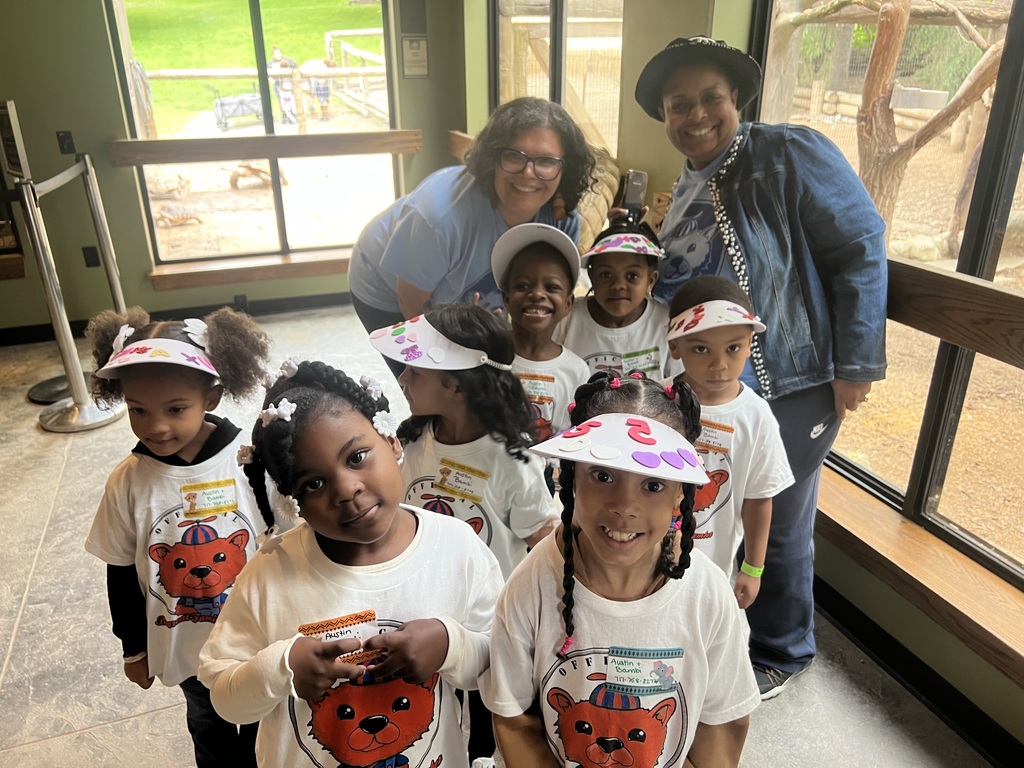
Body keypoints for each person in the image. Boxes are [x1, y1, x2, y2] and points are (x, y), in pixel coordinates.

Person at [635, 36, 888, 699]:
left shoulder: (787, 150)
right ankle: (718, 625)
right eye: (678, 104)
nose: (696, 115)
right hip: (716, 382)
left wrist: (856, 362)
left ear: (736, 98)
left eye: (710, 98)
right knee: (719, 503)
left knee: (774, 511)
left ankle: (783, 649)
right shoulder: (693, 177)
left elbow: (861, 241)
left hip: (791, 377)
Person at [197, 360, 503, 768]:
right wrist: (282, 668)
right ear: (294, 501)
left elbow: (499, 660)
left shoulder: (457, 547)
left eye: (357, 456)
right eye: (314, 484)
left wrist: (451, 645)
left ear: (392, 442)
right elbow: (226, 698)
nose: (346, 489)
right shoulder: (270, 574)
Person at [480, 371, 759, 768]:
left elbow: (721, 723)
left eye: (653, 485)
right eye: (604, 475)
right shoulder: (530, 586)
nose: (625, 508)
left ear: (681, 490)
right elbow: (513, 717)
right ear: (572, 474)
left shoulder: (708, 593)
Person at [84, 306, 273, 768]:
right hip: (189, 648)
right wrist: (132, 645)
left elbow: (289, 542)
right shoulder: (128, 481)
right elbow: (120, 566)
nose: (155, 427)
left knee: (274, 726)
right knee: (211, 731)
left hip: (265, 636)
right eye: (138, 411)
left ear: (212, 396)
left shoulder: (250, 459)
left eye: (175, 409)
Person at [371, 303, 559, 765]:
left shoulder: (512, 462)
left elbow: (546, 543)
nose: (403, 381)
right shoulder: (415, 441)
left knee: (489, 724)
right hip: (426, 613)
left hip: (490, 625)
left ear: (453, 382)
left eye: (414, 371)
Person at [348, 97, 597, 375]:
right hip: (385, 285)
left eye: (547, 161)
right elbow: (413, 308)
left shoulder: (562, 222)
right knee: (432, 386)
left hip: (458, 287)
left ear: (565, 168)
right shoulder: (439, 217)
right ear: (493, 158)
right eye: (513, 156)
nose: (529, 173)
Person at [666, 275, 794, 608]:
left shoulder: (756, 417)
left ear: (751, 343)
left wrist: (753, 568)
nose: (719, 365)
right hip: (649, 562)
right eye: (701, 348)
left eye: (733, 348)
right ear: (675, 346)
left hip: (714, 573)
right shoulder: (657, 400)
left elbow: (758, 498)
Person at [491, 222, 589, 447]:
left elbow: (572, 437)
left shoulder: (576, 371)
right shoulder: (487, 355)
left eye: (552, 287)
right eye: (523, 285)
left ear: (568, 303)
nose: (536, 294)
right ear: (506, 299)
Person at [557, 218, 682, 380]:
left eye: (632, 276)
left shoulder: (666, 324)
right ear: (591, 277)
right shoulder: (567, 317)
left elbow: (678, 382)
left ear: (650, 280)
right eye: (605, 274)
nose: (618, 285)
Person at [268, 45, 297, 124]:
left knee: (291, 100)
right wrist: (270, 78)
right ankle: (285, 116)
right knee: (282, 101)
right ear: (273, 55)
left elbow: (295, 66)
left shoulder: (287, 60)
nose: (277, 55)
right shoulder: (271, 63)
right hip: (278, 84)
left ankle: (293, 115)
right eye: (275, 54)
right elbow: (268, 74)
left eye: (278, 53)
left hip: (287, 84)